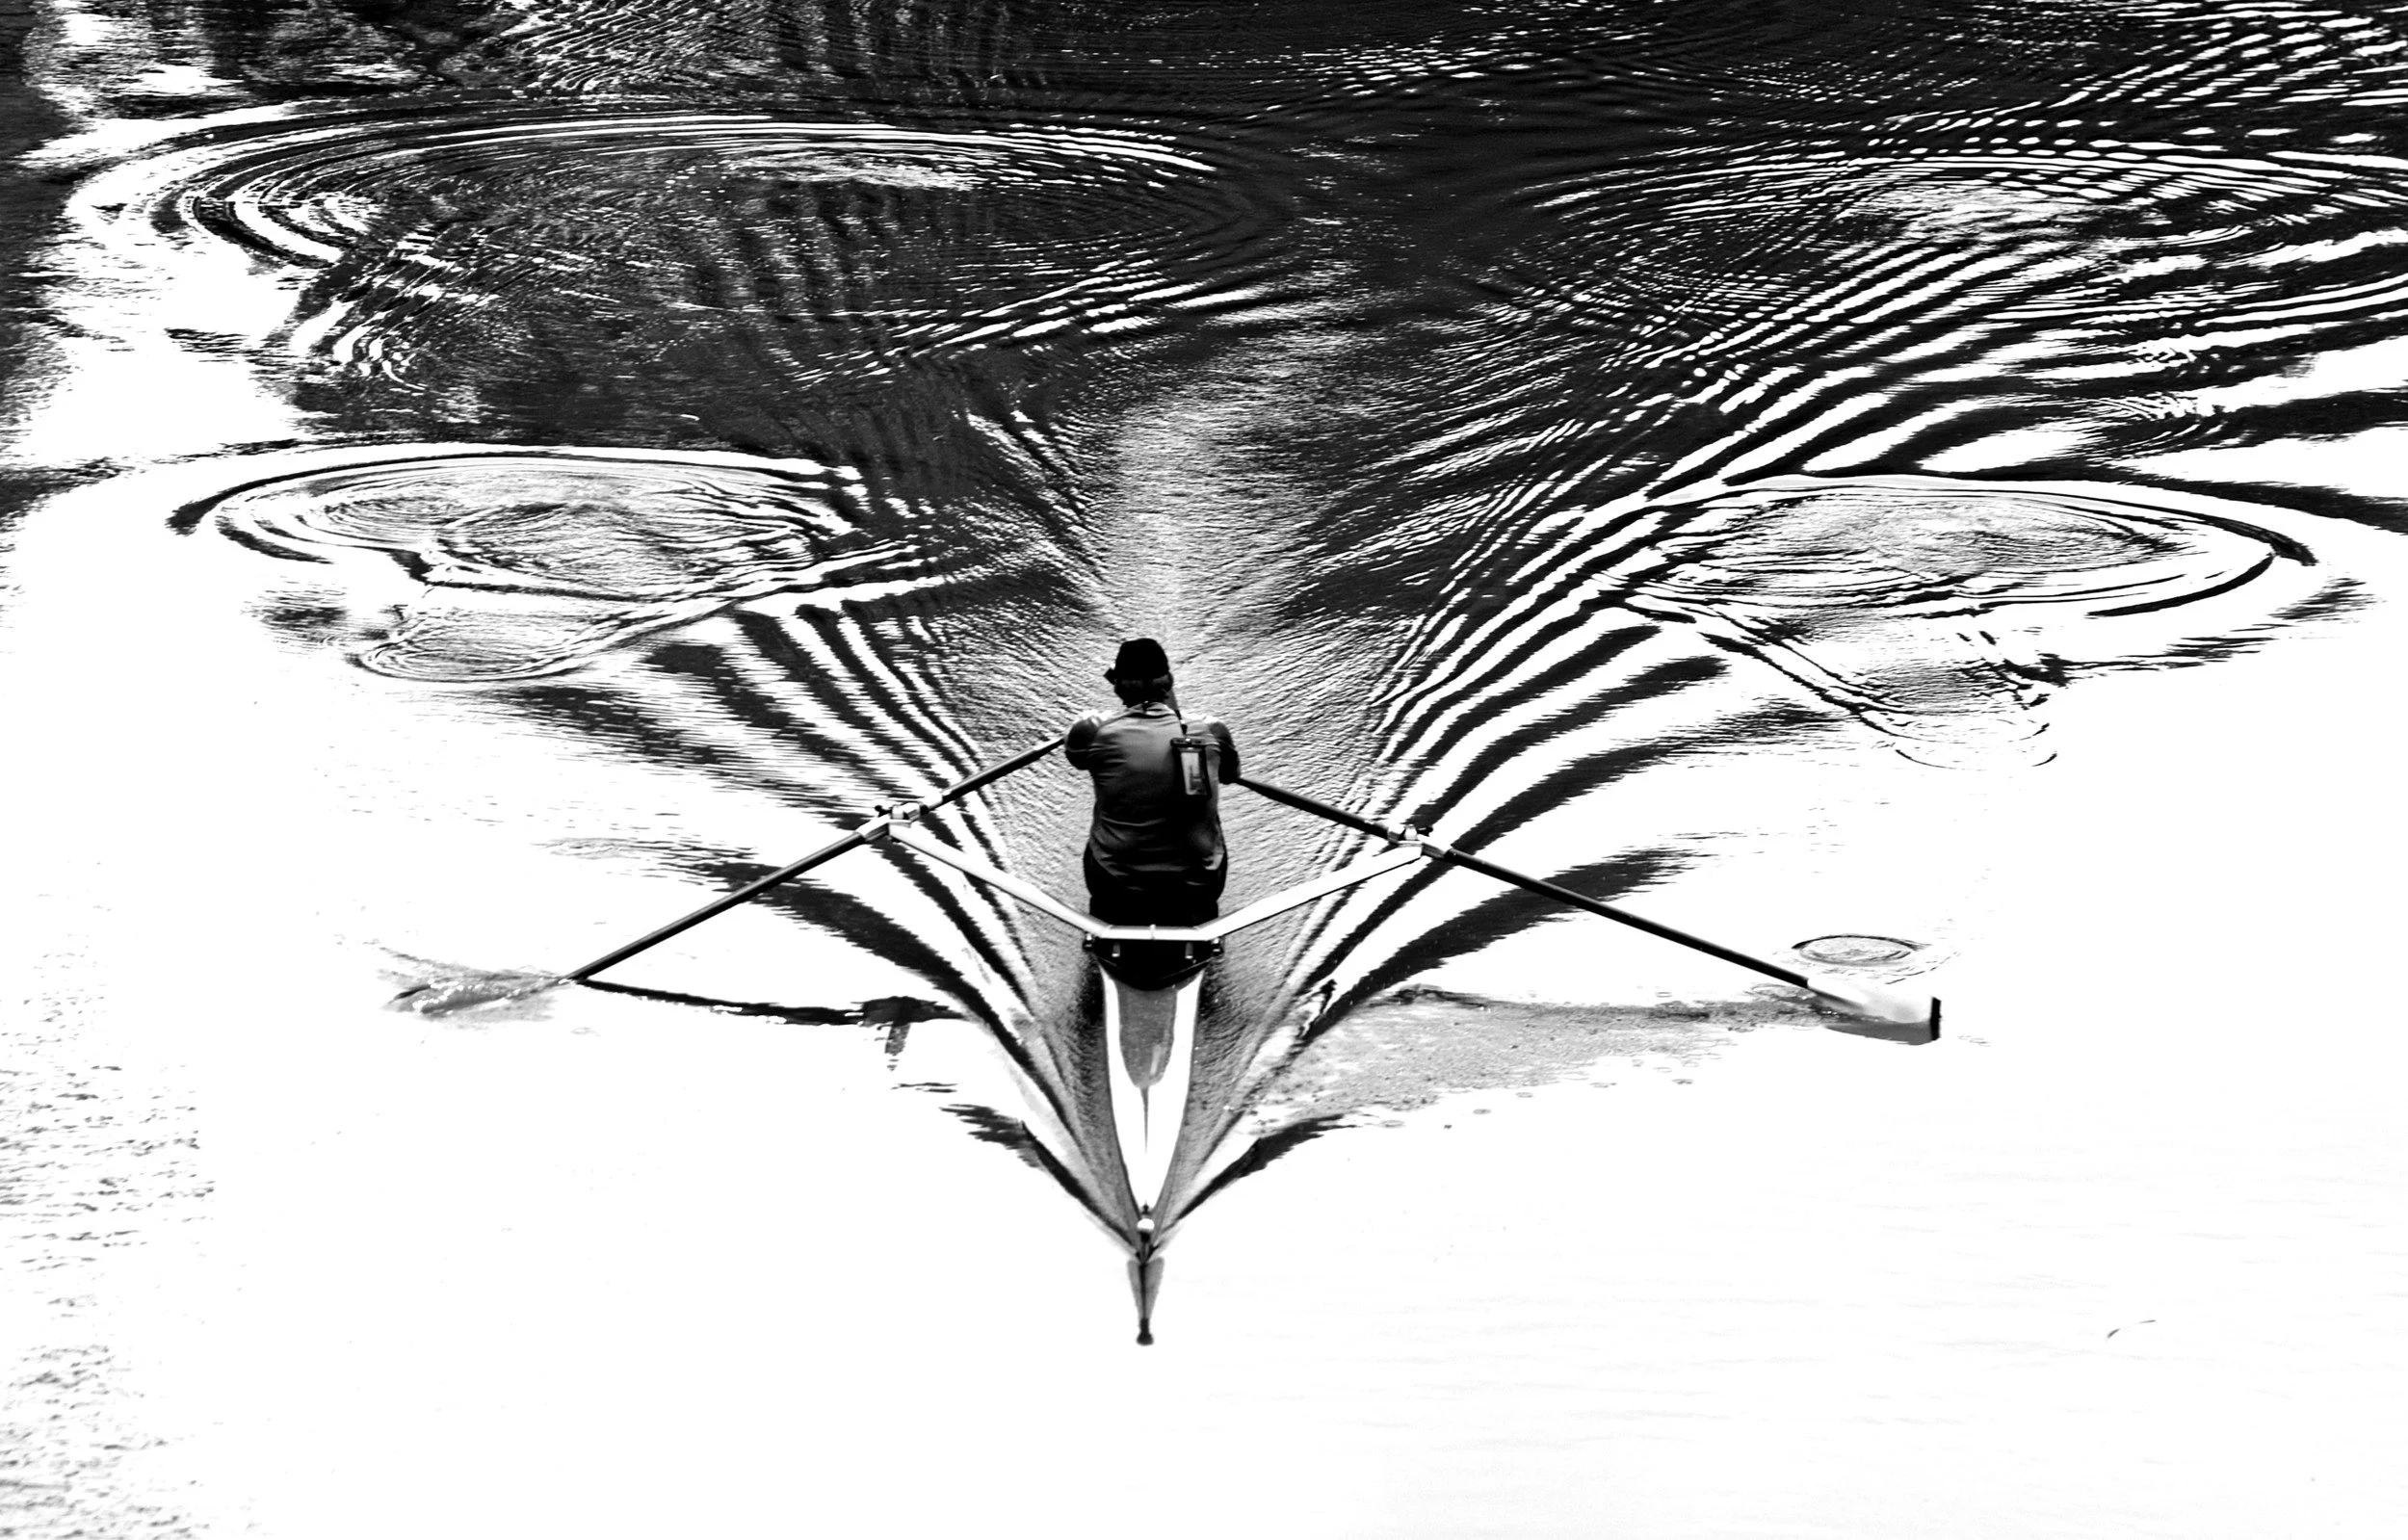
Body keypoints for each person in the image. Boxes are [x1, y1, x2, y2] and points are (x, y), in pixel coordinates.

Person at [1065, 639, 1240, 927]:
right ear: (1168, 682)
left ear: (1118, 686)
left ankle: (1105, 921)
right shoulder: (1213, 730)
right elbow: (1230, 776)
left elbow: (1079, 759)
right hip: (1198, 883)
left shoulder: (1090, 730)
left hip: (1116, 882)